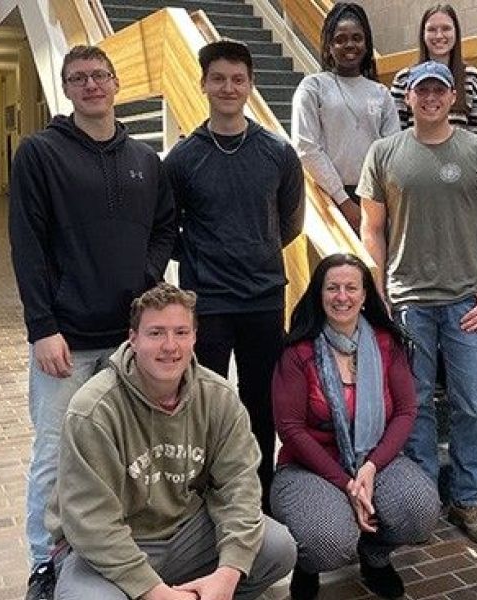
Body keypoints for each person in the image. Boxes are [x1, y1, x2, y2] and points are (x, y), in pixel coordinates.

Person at [8, 44, 176, 600]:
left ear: (115, 83)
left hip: (129, 343)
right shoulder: (40, 154)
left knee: (129, 453)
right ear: (67, 88)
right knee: (56, 455)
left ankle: (116, 550)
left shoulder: (146, 160)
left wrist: (146, 281)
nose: (91, 85)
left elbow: (164, 227)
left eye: (99, 76)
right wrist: (41, 326)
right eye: (78, 78)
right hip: (68, 341)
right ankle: (45, 563)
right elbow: (27, 245)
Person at [360, 61, 477, 547]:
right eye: (420, 90)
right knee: (414, 409)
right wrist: (380, 287)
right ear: (407, 98)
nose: (430, 98)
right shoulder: (385, 152)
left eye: (439, 90)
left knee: (472, 405)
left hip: (466, 303)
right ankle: (425, 498)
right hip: (408, 303)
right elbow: (372, 227)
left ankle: (469, 500)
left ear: (453, 96)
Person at [46, 283, 297, 600]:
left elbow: (239, 489)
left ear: (194, 337)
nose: (170, 345)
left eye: (181, 332)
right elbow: (91, 523)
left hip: (186, 533)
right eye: (155, 333)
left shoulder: (219, 398)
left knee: (277, 547)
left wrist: (227, 574)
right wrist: (155, 592)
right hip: (114, 544)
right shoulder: (93, 410)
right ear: (133, 339)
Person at [164, 40, 305, 513]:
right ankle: (204, 499)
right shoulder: (183, 159)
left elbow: (289, 223)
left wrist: (256, 251)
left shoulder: (277, 153)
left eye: (237, 79)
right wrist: (206, 257)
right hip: (208, 303)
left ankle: (259, 499)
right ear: (203, 84)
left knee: (260, 405)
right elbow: (167, 228)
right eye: (219, 78)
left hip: (264, 299)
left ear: (250, 85)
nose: (228, 87)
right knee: (202, 406)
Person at [270, 254, 440, 600]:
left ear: (365, 296)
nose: (342, 296)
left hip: (375, 458)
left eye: (351, 288)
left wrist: (372, 468)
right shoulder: (298, 352)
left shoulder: (385, 342)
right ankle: (309, 565)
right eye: (332, 288)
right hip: (310, 466)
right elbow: (290, 430)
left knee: (420, 509)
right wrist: (347, 482)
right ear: (319, 294)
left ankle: (375, 558)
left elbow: (407, 411)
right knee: (329, 539)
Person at [291, 2, 399, 233]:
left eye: (357, 38)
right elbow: (306, 147)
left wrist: (379, 202)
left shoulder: (381, 93)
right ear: (329, 46)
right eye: (340, 39)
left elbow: (392, 151)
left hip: (375, 200)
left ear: (367, 44)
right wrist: (344, 201)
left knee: (376, 268)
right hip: (328, 198)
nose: (349, 44)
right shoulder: (313, 87)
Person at [389, 4, 477, 134]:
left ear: (456, 32)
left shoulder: (473, 78)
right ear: (423, 34)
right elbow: (397, 133)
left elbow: (475, 136)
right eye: (432, 29)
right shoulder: (403, 79)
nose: (439, 35)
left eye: (446, 28)